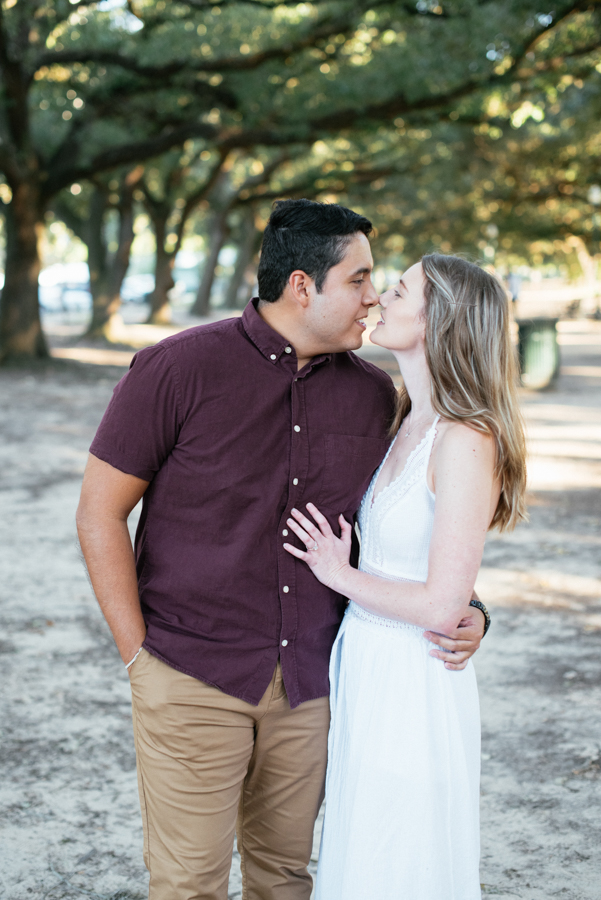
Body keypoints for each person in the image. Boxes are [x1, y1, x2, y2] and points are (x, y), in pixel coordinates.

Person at [76, 201, 488, 900]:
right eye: (359, 280)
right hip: (190, 675)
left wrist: (467, 606)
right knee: (188, 884)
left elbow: (405, 525)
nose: (371, 296)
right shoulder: (175, 370)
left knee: (284, 879)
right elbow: (98, 514)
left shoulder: (373, 396)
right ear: (304, 286)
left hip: (312, 684)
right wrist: (137, 657)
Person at [282, 254, 527, 900]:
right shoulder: (401, 418)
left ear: (436, 320)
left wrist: (339, 572)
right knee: (363, 844)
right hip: (366, 662)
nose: (377, 300)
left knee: (401, 852)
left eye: (395, 291)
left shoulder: (465, 440)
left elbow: (444, 602)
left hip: (413, 677)